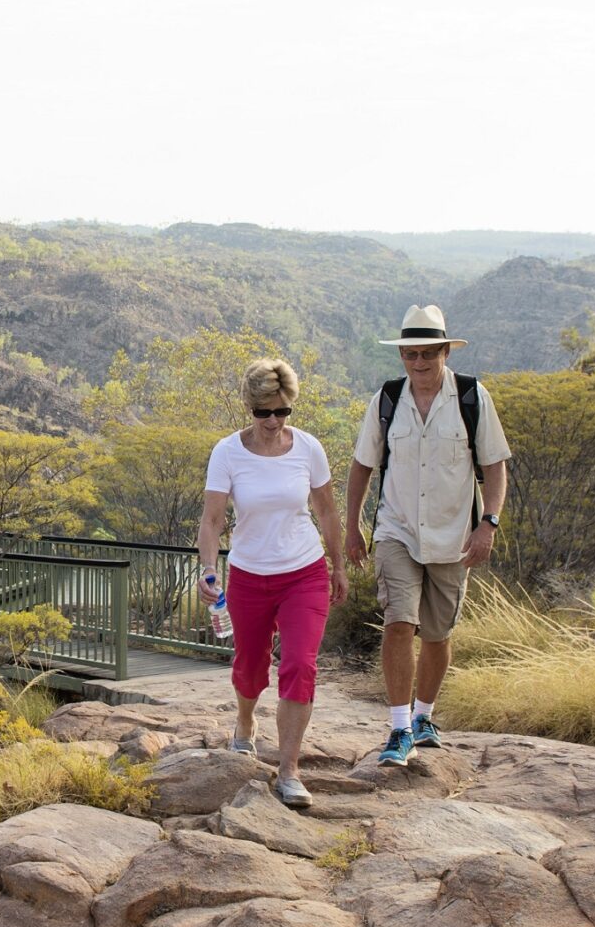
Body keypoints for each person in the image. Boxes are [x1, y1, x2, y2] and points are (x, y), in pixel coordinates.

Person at [344, 304, 510, 767]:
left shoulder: (473, 398)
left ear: (443, 351)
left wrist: (488, 523)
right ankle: (398, 729)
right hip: (396, 529)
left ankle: (424, 717)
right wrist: (352, 525)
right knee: (399, 622)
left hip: (453, 536)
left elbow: (495, 466)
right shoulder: (387, 400)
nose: (418, 364)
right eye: (410, 355)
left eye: (427, 354)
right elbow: (362, 465)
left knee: (437, 633)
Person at [196, 358, 338, 809]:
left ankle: (289, 769)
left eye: (282, 412)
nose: (273, 421)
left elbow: (328, 512)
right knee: (251, 666)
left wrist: (340, 566)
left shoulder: (309, 449)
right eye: (264, 412)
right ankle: (245, 723)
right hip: (250, 576)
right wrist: (207, 568)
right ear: (249, 408)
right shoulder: (227, 453)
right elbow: (213, 518)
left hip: (305, 573)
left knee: (299, 664)